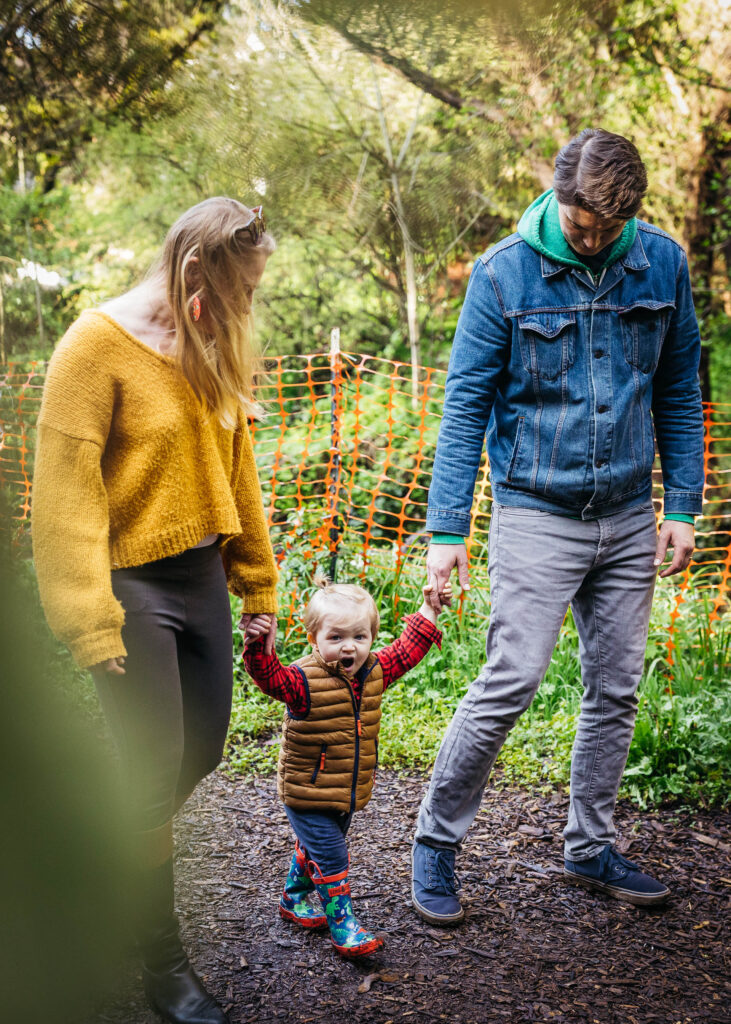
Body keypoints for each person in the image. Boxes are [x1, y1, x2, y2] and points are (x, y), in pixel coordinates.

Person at [410, 129, 704, 925]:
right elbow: (464, 404)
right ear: (557, 197)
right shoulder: (502, 274)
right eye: (581, 224)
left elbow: (678, 387)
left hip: (625, 513)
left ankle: (589, 846)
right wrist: (446, 531)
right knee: (510, 681)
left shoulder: (662, 264)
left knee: (614, 688)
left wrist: (680, 505)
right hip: (536, 512)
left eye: (610, 228)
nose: (594, 239)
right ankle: (435, 842)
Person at [32, 197, 279, 1024]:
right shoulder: (94, 346)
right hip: (131, 584)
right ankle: (162, 966)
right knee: (148, 775)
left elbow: (236, 468)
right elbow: (65, 502)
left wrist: (256, 583)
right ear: (197, 279)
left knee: (201, 750)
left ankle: (91, 863)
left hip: (200, 575)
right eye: (241, 291)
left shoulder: (213, 340)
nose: (249, 307)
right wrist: (88, 618)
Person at [243, 573, 447, 957]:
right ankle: (343, 924)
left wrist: (429, 609)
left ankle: (293, 899)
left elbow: (407, 650)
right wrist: (257, 643)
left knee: (315, 848)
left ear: (371, 638)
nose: (348, 647)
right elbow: (267, 676)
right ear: (314, 639)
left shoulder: (374, 671)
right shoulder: (302, 680)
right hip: (306, 791)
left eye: (359, 637)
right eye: (335, 638)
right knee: (333, 854)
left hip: (345, 790)